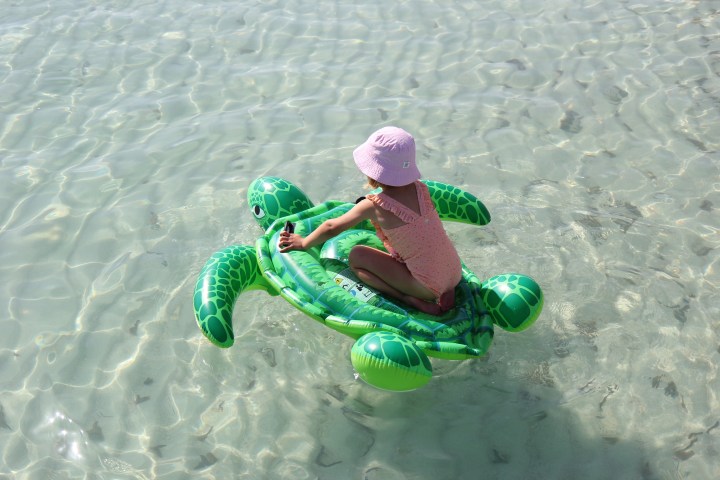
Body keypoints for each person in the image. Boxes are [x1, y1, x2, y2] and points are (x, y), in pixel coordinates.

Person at [278, 126, 462, 316]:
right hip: (455, 272)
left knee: (357, 256)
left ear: (374, 170)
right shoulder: (421, 189)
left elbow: (331, 227)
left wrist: (303, 242)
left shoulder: (374, 205)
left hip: (426, 286)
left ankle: (408, 298)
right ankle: (445, 287)